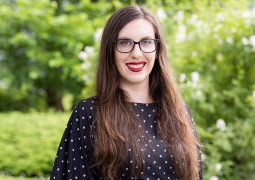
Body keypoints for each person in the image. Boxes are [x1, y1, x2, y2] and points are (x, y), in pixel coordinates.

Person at [50, 5, 202, 180]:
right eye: (125, 42)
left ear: (157, 49)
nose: (136, 53)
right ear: (110, 50)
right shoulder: (89, 114)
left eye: (146, 42)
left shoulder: (180, 113)